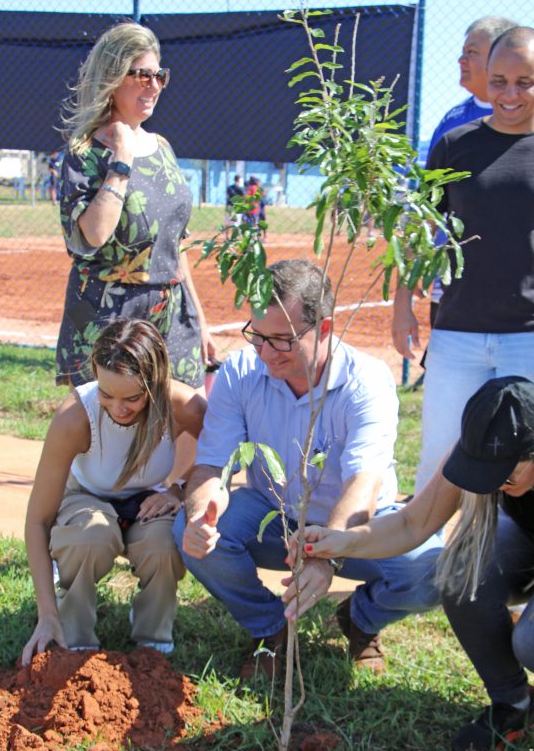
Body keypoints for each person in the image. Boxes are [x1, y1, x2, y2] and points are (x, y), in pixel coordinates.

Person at [174, 259, 443, 678]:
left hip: (364, 527)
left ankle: (360, 618)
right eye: (257, 336)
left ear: (325, 329)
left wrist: (327, 556)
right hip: (274, 514)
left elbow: (363, 483)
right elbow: (212, 464)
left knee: (433, 570)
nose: (264, 352)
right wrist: (199, 513)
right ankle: (270, 631)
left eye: (281, 340)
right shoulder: (241, 371)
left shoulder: (366, 381)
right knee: (186, 532)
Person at [284, 376, 534, 751]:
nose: (495, 483)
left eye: (507, 473)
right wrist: (344, 541)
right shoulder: (480, 449)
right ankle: (513, 704)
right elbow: (411, 523)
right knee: (459, 573)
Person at [406, 27, 534, 491]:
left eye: (525, 82)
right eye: (499, 81)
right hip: (458, 331)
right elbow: (420, 229)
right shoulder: (455, 145)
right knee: (439, 459)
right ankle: (429, 560)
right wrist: (403, 303)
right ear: (485, 79)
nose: (510, 94)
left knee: (524, 467)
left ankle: (516, 559)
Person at [22, 318, 206, 666]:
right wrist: (45, 613)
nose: (118, 408)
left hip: (148, 498)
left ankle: (153, 644)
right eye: (107, 394)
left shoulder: (183, 404)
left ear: (155, 381)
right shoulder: (75, 418)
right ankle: (72, 632)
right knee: (90, 536)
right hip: (86, 497)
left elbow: (219, 452)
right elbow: (37, 521)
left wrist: (179, 490)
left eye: (133, 398)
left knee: (164, 545)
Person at [56, 21, 216, 389]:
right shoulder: (84, 153)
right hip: (107, 313)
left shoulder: (163, 148)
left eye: (159, 75)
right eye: (142, 75)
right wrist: (121, 161)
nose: (154, 85)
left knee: (179, 424)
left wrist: (200, 319)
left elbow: (176, 245)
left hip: (170, 313)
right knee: (106, 429)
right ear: (112, 77)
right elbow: (93, 235)